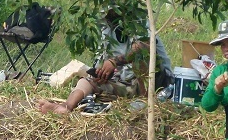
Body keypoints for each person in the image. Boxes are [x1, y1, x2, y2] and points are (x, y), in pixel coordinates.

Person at [37, 9, 172, 115]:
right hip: (126, 82)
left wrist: (114, 62)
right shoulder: (107, 27)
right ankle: (66, 107)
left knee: (140, 57)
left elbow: (144, 47)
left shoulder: (139, 21)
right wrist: (103, 73)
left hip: (153, 81)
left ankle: (145, 101)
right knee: (87, 81)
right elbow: (104, 58)